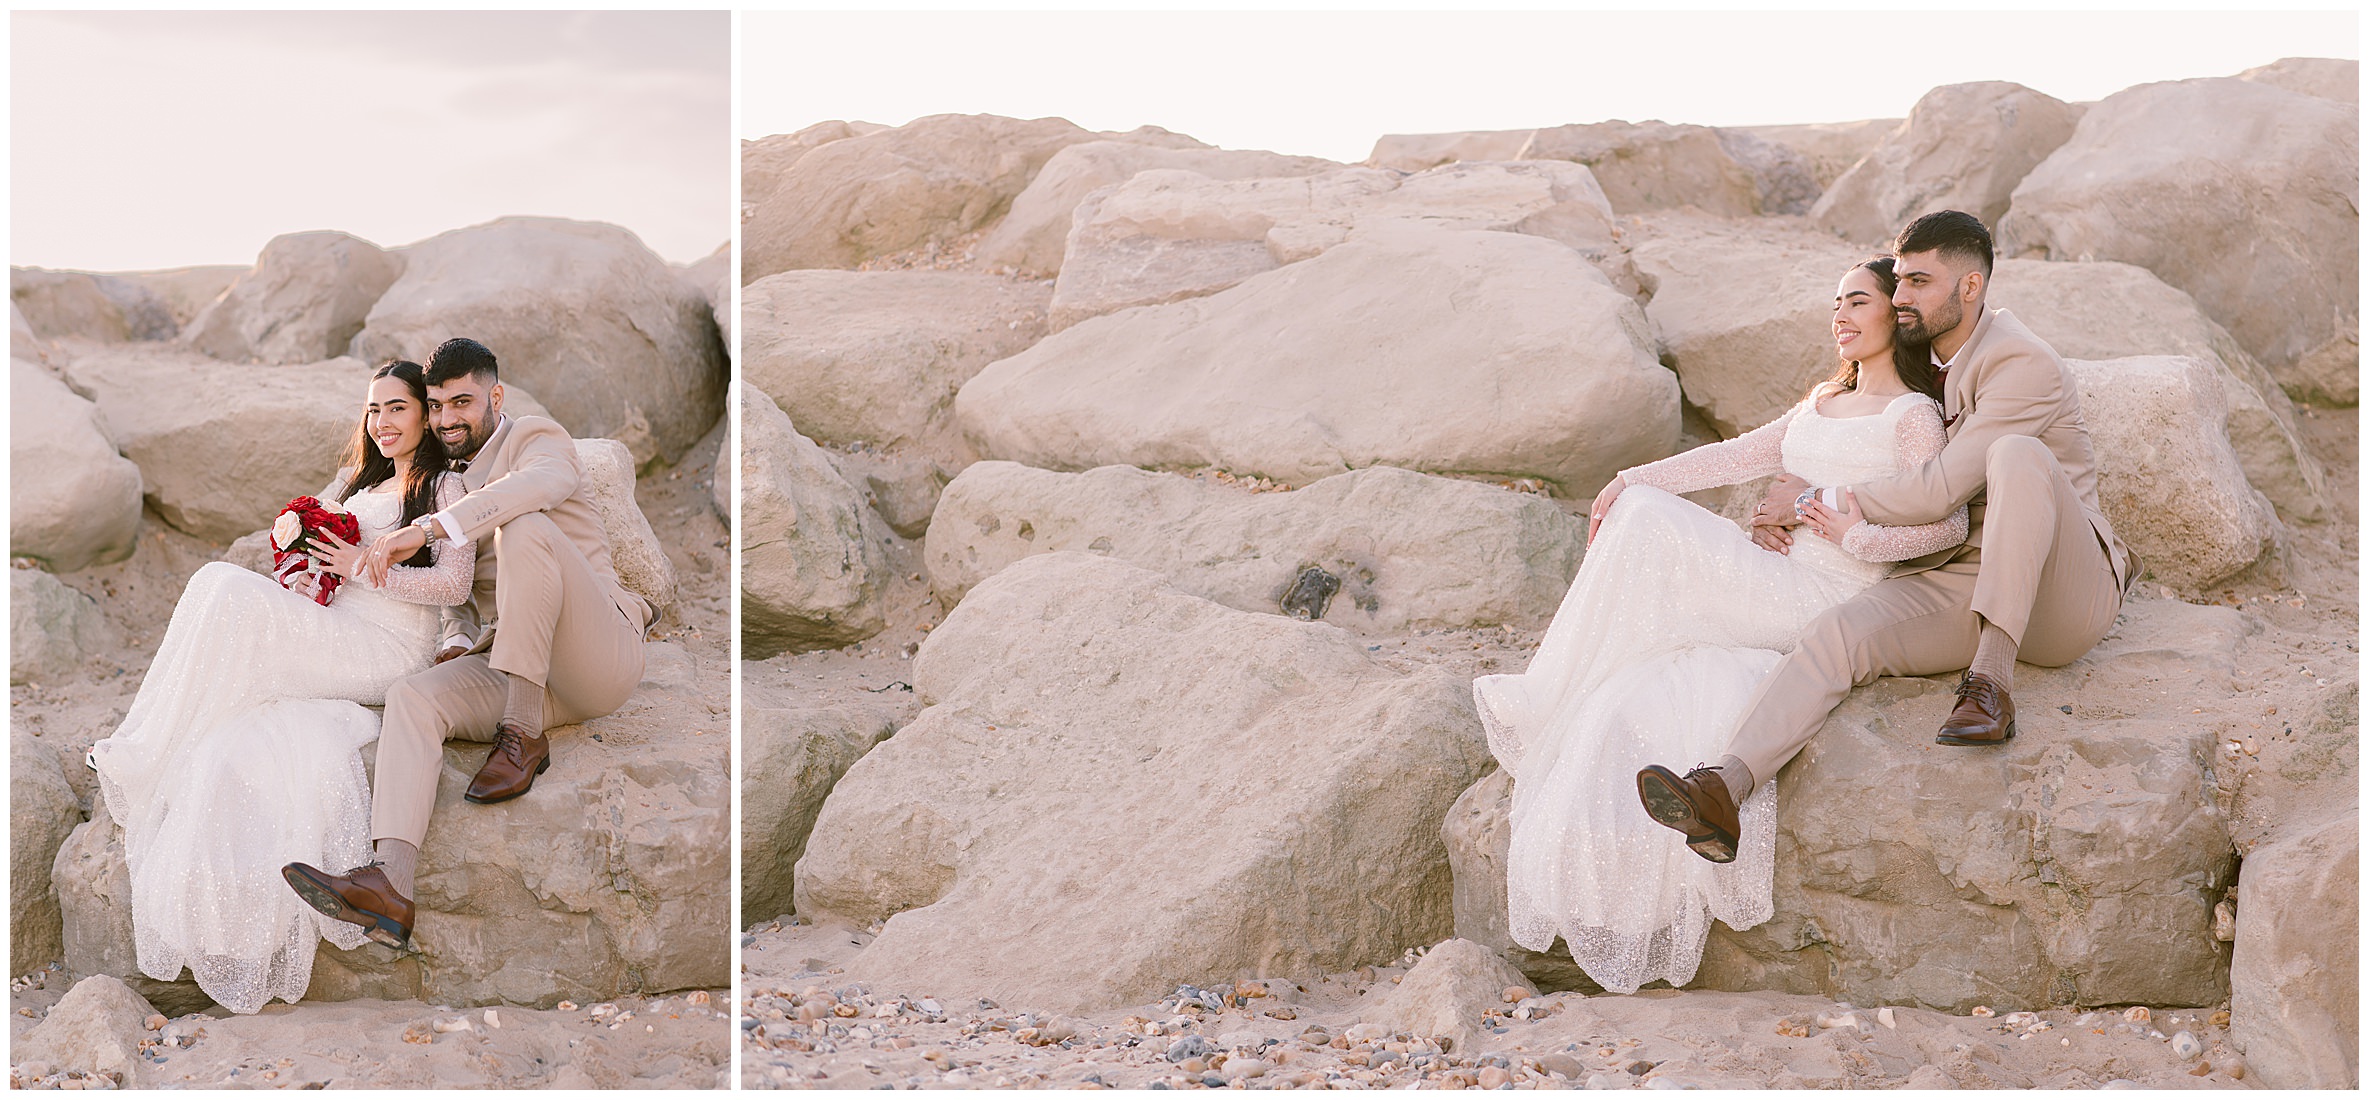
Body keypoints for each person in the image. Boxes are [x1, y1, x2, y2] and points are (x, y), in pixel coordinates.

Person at [1474, 256, 1967, 993]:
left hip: (1827, 596)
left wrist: (1851, 533)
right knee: (1643, 515)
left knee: (1647, 524)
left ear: (1894, 315)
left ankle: (1546, 691)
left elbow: (1947, 525)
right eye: (1835, 302)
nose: (1839, 315)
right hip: (1775, 571)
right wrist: (1629, 477)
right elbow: (1733, 457)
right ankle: (1568, 686)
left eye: (1857, 301)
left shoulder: (1913, 417)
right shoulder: (1822, 400)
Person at [1635, 211, 2133, 876]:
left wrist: (1815, 501)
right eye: (1897, 281)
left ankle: (1989, 685)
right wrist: (1662, 484)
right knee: (1838, 632)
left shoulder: (2022, 363)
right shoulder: (1917, 360)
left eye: (1919, 282)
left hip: (2061, 592)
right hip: (1962, 577)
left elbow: (1939, 490)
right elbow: (1818, 444)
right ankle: (1723, 790)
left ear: (1970, 286)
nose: (1900, 297)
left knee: (2017, 455)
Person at [86, 360, 476, 1014]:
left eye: (397, 408)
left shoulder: (445, 488)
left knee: (221, 586)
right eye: (373, 409)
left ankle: (142, 749)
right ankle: (148, 741)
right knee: (222, 599)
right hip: (336, 624)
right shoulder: (359, 478)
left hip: (387, 645)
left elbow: (455, 585)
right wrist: (306, 561)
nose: (381, 422)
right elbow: (308, 541)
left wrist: (363, 567)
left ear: (425, 415)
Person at [283, 337, 652, 949]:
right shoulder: (443, 483)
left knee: (523, 527)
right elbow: (460, 593)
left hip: (595, 654)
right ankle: (389, 884)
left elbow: (540, 486)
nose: (447, 418)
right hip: (514, 662)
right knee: (413, 697)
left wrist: (429, 528)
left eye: (462, 402)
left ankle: (521, 734)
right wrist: (456, 639)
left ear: (495, 396)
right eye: (435, 406)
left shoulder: (534, 439)